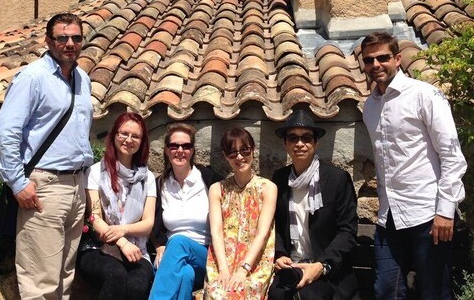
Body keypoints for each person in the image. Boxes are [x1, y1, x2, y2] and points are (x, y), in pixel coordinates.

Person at [0, 12, 94, 300]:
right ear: (49, 40)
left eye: (76, 37)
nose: (70, 43)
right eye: (62, 38)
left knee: (64, 277)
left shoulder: (82, 80)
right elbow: (5, 134)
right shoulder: (32, 77)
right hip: (44, 186)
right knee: (41, 281)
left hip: (75, 186)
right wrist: (18, 183)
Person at [361, 32, 467, 299]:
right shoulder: (369, 107)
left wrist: (445, 211)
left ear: (397, 59)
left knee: (433, 292)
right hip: (389, 216)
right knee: (386, 289)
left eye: (383, 57)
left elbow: (452, 156)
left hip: (428, 214)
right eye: (369, 60)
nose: (376, 65)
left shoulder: (425, 95)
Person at [269, 110, 358, 300]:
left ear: (315, 143)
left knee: (309, 297)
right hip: (291, 268)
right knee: (275, 295)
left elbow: (347, 232)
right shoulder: (280, 179)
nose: (299, 144)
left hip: (327, 271)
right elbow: (274, 224)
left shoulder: (337, 180)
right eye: (293, 138)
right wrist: (279, 253)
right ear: (285, 144)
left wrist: (321, 266)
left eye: (306, 138)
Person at [77, 111, 157, 300]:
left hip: (137, 251)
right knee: (116, 274)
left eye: (135, 136)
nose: (129, 140)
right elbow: (94, 216)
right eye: (124, 134)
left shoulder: (148, 178)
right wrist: (122, 241)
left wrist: (123, 230)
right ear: (114, 136)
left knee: (136, 286)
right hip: (98, 248)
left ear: (142, 142)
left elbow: (148, 223)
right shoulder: (96, 172)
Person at [149, 123, 222, 300]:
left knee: (179, 242)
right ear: (166, 150)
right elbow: (153, 222)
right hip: (175, 258)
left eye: (186, 146)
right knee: (185, 274)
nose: (180, 150)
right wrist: (159, 245)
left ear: (192, 150)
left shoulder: (210, 180)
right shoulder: (159, 184)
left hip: (205, 255)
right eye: (174, 146)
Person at [203, 128, 277, 300]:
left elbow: (262, 233)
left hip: (256, 262)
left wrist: (243, 269)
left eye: (244, 150)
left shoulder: (268, 188)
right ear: (225, 155)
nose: (239, 157)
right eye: (232, 152)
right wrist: (223, 269)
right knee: (218, 293)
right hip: (223, 260)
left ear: (253, 150)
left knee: (239, 293)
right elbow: (216, 231)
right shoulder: (217, 189)